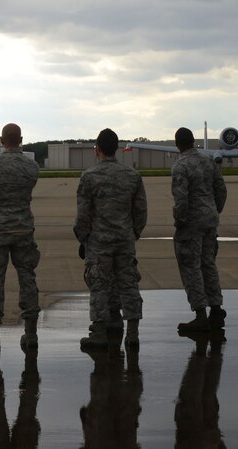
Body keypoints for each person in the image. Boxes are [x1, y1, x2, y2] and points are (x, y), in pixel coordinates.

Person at [74, 128, 147, 349]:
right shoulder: (132, 176)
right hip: (124, 240)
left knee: (99, 285)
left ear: (97, 150)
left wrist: (83, 238)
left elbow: (83, 215)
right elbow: (140, 211)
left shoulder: (89, 177)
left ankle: (99, 331)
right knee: (129, 284)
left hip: (99, 242)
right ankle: (131, 332)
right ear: (116, 149)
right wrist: (133, 233)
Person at [0, 123, 41, 351]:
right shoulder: (31, 166)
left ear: (1, 141)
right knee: (28, 279)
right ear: (21, 139)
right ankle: (31, 333)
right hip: (23, 230)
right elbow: (30, 185)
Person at [170, 127, 228, 333]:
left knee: (190, 266)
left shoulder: (180, 166)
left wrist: (180, 220)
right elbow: (221, 189)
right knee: (208, 264)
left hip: (192, 223)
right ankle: (216, 308)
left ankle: (200, 314)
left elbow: (181, 199)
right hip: (210, 220)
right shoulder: (208, 161)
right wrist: (213, 210)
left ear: (177, 145)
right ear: (193, 141)